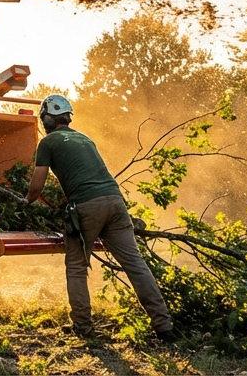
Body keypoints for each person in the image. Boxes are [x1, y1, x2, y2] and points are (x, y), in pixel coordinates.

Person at [24, 94, 179, 342]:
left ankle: (83, 327)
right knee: (135, 265)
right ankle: (164, 327)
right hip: (115, 203)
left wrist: (24, 202)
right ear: (67, 117)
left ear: (47, 119)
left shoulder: (48, 142)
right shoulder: (85, 138)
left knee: (76, 268)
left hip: (87, 206)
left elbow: (36, 186)